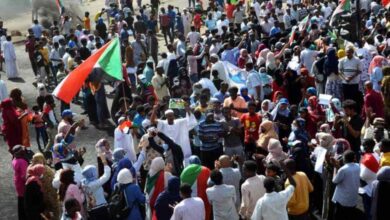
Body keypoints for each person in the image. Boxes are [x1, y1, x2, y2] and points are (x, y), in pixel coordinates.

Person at [331, 150, 361, 219]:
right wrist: (338, 166)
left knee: (339, 216)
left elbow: (334, 181)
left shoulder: (343, 169)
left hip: (343, 199)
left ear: (344, 158)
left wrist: (335, 167)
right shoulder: (357, 166)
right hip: (352, 198)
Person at [81, 154, 111, 219]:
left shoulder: (84, 182)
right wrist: (104, 162)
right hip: (100, 209)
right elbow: (107, 175)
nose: (96, 173)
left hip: (91, 210)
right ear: (92, 173)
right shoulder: (93, 184)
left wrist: (102, 193)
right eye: (95, 171)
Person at [11, 145, 28, 220]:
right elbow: (24, 176)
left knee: (20, 199)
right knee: (25, 202)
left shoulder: (14, 159)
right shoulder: (22, 162)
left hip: (17, 182)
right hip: (22, 184)